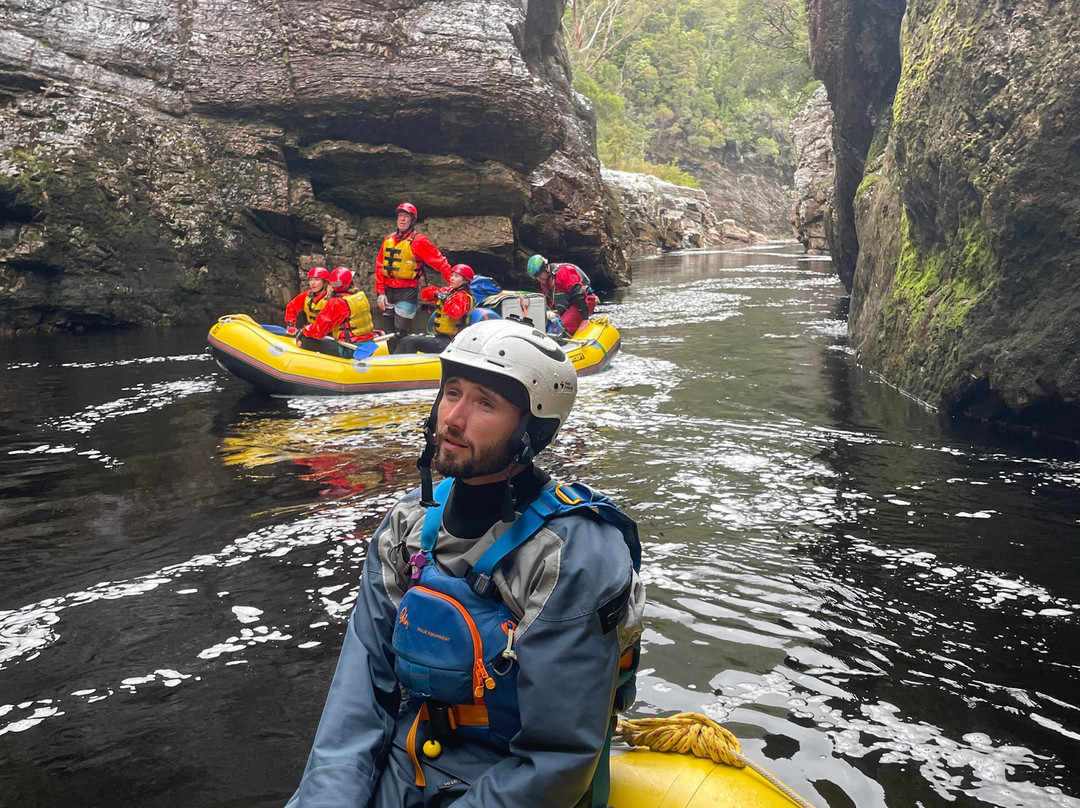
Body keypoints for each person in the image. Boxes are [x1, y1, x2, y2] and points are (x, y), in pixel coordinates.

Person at [286, 319, 645, 808]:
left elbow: (555, 759)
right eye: (451, 392)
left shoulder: (575, 555)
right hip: (410, 757)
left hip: (509, 779)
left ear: (531, 430)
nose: (452, 418)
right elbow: (360, 694)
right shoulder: (407, 525)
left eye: (484, 403)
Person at [375, 202, 454, 343]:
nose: (402, 219)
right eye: (400, 216)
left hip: (407, 290)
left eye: (406, 216)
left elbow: (440, 262)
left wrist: (454, 285)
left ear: (412, 220)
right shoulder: (389, 239)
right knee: (388, 331)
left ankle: (402, 357)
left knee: (399, 331)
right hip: (388, 291)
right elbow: (380, 265)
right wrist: (380, 292)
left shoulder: (419, 241)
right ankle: (392, 360)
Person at [393, 264, 475, 355]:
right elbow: (425, 295)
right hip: (440, 338)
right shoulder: (449, 291)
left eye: (456, 276)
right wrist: (436, 294)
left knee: (410, 341)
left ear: (466, 280)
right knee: (406, 339)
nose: (452, 278)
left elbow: (453, 313)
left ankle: (403, 366)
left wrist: (446, 300)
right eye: (452, 275)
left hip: (451, 342)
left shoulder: (463, 297)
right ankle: (394, 363)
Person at [298, 266, 376, 356]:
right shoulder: (360, 295)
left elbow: (319, 330)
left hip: (351, 349)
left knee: (306, 340)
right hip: (369, 344)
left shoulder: (336, 303)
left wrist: (304, 330)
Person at [526, 254, 598, 336]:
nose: (539, 279)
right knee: (548, 325)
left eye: (540, 274)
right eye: (536, 277)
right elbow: (548, 302)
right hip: (566, 305)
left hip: (583, 302)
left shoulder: (563, 271)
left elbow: (579, 293)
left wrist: (585, 319)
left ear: (546, 268)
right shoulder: (545, 282)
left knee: (560, 327)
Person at [285, 267, 331, 336]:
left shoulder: (332, 298)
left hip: (330, 335)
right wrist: (291, 324)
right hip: (312, 331)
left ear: (325, 282)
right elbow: (292, 307)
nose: (313, 283)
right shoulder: (306, 296)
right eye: (311, 280)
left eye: (317, 280)